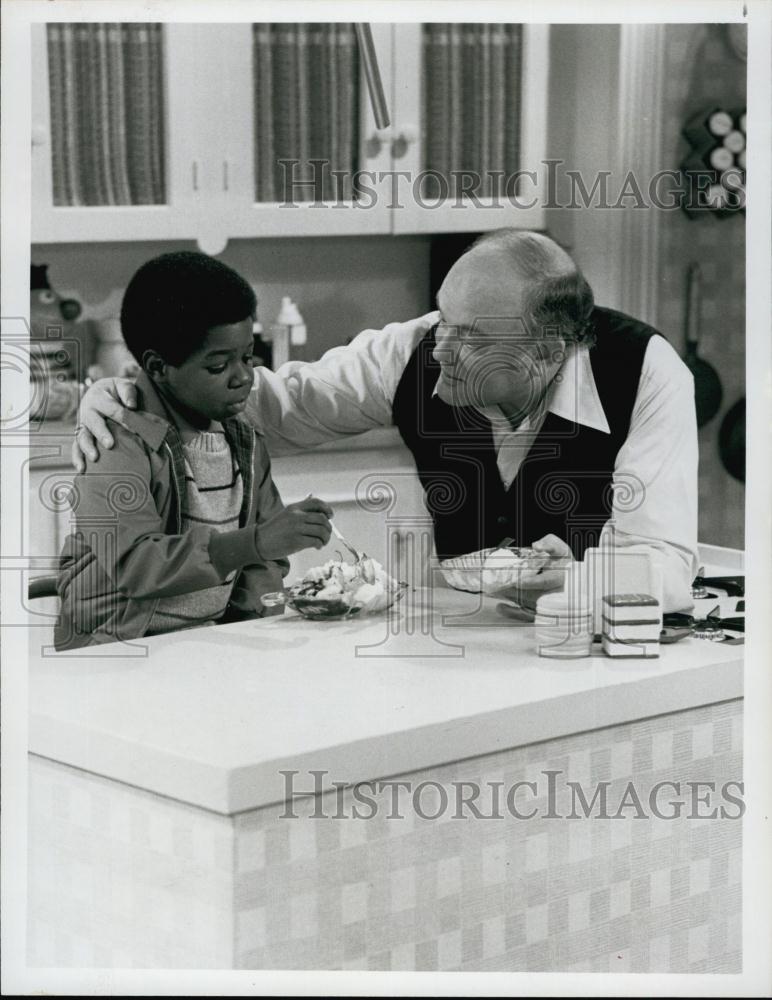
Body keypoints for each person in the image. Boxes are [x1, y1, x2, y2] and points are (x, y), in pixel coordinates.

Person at [73, 230, 698, 613]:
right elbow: (274, 403)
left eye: (472, 337)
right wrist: (129, 393)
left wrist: (578, 581)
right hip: (458, 633)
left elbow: (665, 561)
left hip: (591, 645)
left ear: (546, 351)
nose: (442, 348)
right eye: (441, 319)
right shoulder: (414, 350)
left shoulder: (645, 373)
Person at [55, 252, 332, 650]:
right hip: (118, 652)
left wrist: (254, 626)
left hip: (208, 648)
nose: (243, 377)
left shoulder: (245, 441)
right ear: (158, 366)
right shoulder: (113, 444)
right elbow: (138, 566)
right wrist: (256, 541)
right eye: (218, 366)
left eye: (248, 357)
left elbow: (264, 564)